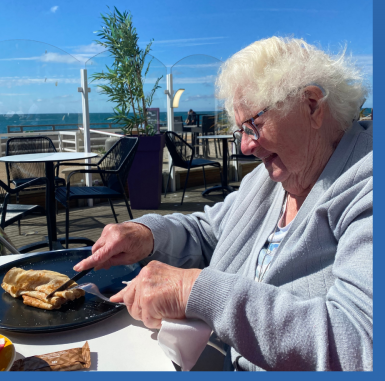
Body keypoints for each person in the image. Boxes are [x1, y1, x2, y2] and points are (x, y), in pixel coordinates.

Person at [74, 37, 372, 371]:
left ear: (312, 105)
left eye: (253, 126)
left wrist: (195, 290)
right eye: (239, 130)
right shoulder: (272, 178)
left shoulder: (367, 184)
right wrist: (146, 233)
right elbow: (209, 231)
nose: (245, 146)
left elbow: (359, 343)